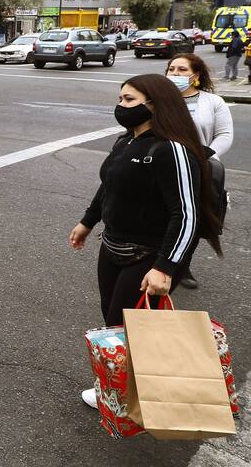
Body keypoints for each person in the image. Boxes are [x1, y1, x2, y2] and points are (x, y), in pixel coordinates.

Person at [69, 74, 222, 409]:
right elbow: (109, 185)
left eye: (129, 100)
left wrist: (165, 267)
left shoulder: (172, 150)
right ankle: (124, 388)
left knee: (130, 327)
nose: (120, 106)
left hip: (149, 256)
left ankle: (137, 395)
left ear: (155, 105)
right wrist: (87, 221)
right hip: (113, 247)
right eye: (120, 99)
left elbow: (186, 216)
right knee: (114, 322)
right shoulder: (125, 142)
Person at [165, 53, 234, 289]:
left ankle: (181, 266)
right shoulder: (159, 99)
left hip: (199, 171)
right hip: (164, 168)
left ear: (196, 75)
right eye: (172, 69)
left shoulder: (213, 102)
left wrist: (206, 157)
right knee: (161, 217)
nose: (175, 74)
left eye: (182, 70)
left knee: (191, 220)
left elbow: (224, 135)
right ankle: (159, 262)